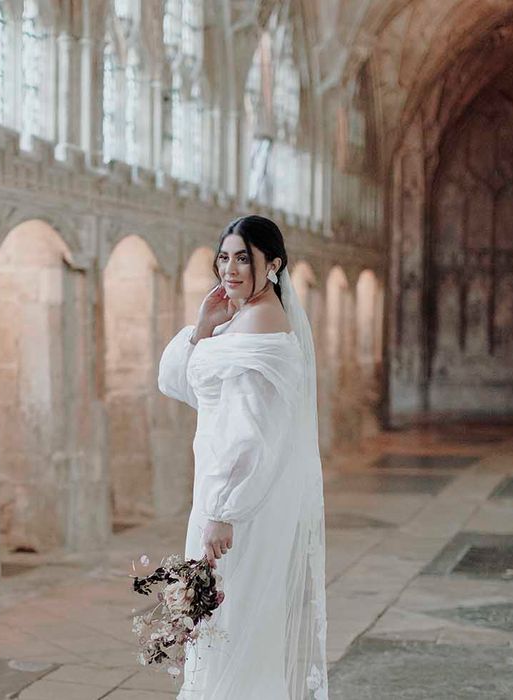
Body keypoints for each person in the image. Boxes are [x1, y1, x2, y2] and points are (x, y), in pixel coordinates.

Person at [158, 215, 328, 700]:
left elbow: (250, 435)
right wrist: (204, 326)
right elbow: (177, 383)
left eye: (243, 258)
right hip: (220, 495)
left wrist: (224, 511)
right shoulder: (239, 316)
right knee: (220, 625)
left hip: (237, 506)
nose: (229, 269)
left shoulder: (262, 320)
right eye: (224, 256)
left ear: (272, 264)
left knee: (230, 623)